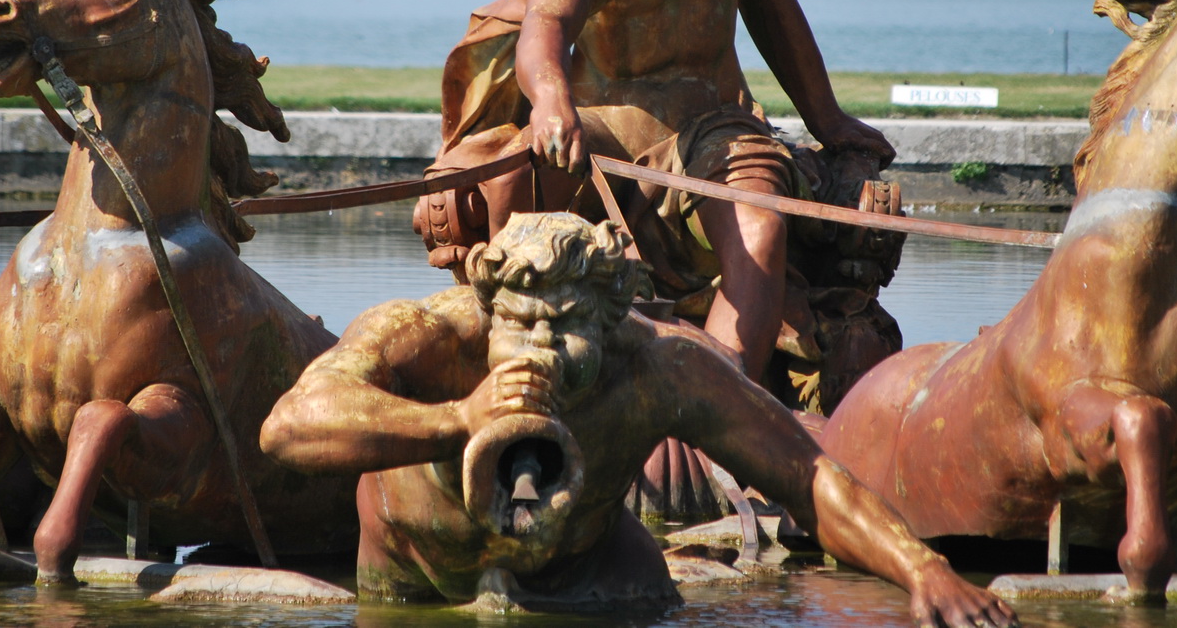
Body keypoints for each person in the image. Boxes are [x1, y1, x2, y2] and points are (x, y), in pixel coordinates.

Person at [261, 212, 1014, 625]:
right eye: (520, 325)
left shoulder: (659, 368)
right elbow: (288, 426)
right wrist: (460, 417)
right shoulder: (428, 334)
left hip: (583, 570)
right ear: (486, 311)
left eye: (566, 327)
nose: (541, 350)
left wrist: (925, 569)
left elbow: (806, 473)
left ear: (615, 316)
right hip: (418, 568)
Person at [415, 0, 894, 391]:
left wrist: (828, 120)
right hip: (601, 126)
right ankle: (516, 379)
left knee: (759, 223)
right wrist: (552, 103)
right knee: (507, 193)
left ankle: (720, 405)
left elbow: (772, 9)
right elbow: (547, 24)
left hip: (717, 124)